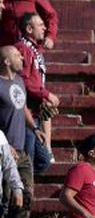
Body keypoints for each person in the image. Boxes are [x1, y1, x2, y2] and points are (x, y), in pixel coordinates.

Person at [16, 12, 57, 168]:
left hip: (36, 113)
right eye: (40, 25)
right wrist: (45, 94)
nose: (45, 28)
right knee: (28, 162)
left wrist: (43, 99)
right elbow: (23, 81)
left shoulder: (34, 49)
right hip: (26, 115)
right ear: (29, 28)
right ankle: (24, 190)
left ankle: (26, 187)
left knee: (43, 161)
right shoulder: (22, 48)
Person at [0, 47, 31, 218]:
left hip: (22, 149)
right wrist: (4, 143)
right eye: (17, 55)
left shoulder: (19, 81)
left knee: (26, 193)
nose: (22, 57)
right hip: (4, 150)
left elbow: (24, 107)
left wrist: (35, 128)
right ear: (6, 61)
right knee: (5, 197)